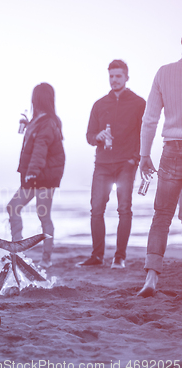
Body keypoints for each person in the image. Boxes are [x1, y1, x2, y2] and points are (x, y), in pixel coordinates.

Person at [77, 60, 146, 269]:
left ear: (126, 77)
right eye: (111, 76)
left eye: (118, 76)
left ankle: (119, 257)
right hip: (103, 164)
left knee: (124, 209)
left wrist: (136, 158)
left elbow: (145, 132)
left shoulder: (139, 103)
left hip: (127, 163)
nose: (114, 80)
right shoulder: (99, 104)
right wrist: (97, 136)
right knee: (96, 209)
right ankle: (97, 256)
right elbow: (89, 136)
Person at [137, 41, 182, 297]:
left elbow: (150, 119)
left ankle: (151, 278)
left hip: (172, 150)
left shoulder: (164, 73)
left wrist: (144, 154)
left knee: (162, 216)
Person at [6, 83, 65, 268]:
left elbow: (40, 149)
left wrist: (31, 174)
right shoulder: (38, 120)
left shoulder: (48, 122)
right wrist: (28, 125)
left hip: (45, 175)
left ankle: (46, 259)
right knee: (13, 207)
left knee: (43, 215)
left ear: (37, 99)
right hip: (34, 174)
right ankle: (18, 250)